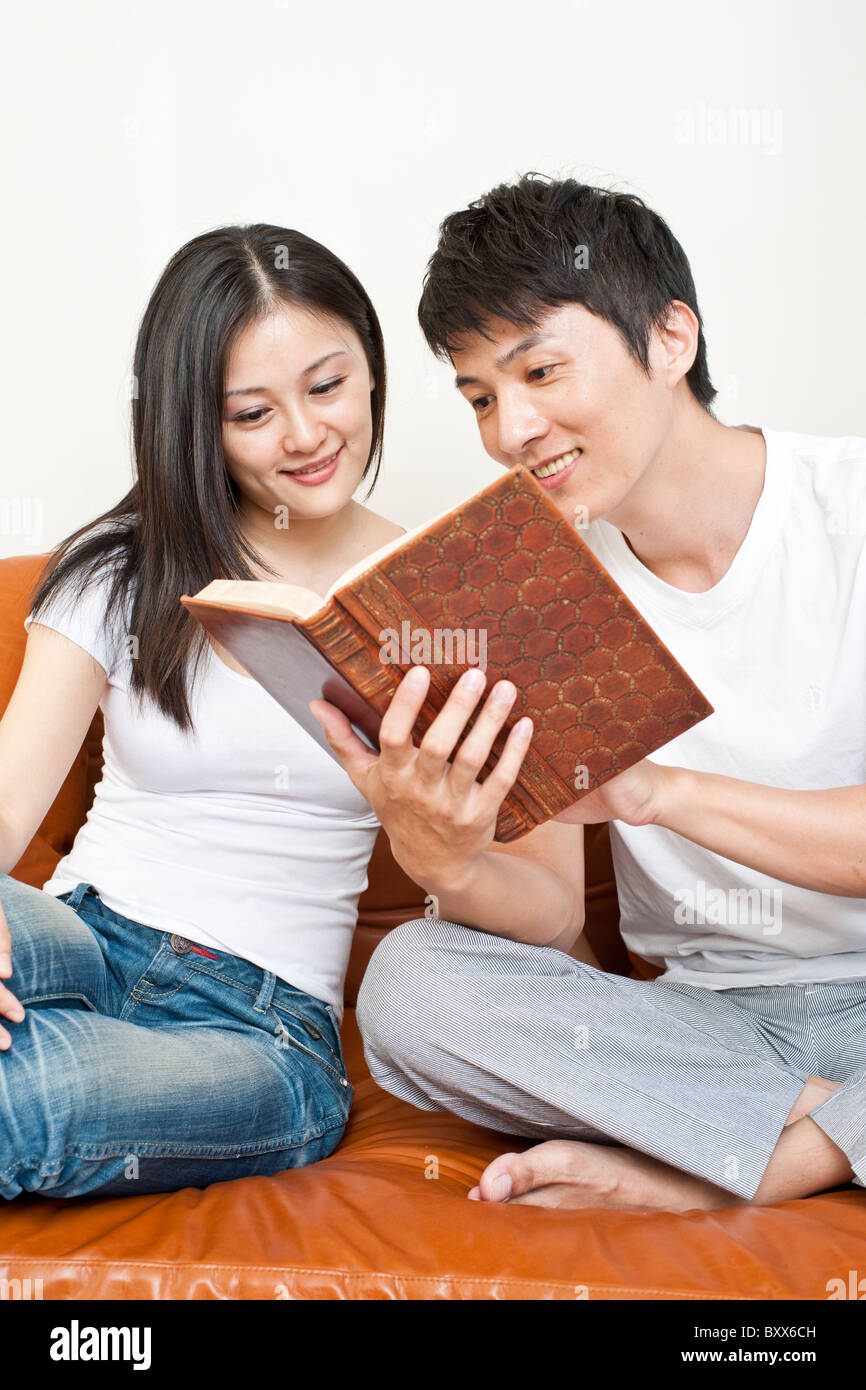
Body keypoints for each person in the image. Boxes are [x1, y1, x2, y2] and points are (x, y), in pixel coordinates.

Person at [311, 173, 866, 1213]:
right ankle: (799, 1126)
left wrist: (660, 793)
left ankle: (750, 1160)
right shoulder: (531, 593)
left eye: (538, 370)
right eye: (479, 394)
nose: (510, 428)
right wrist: (446, 854)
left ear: (669, 340)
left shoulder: (849, 510)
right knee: (409, 986)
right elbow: (550, 913)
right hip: (700, 1023)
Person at [0, 222, 412, 1199]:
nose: (306, 436)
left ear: (369, 370)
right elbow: (10, 803)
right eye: (252, 413)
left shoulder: (435, 592)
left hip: (259, 1027)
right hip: (87, 934)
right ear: (196, 422)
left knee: (32, 1101)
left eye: (326, 386)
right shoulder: (121, 565)